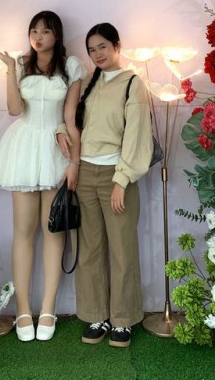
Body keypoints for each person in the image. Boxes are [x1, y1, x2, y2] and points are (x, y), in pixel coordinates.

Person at [0, 11, 85, 342]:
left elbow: (70, 119)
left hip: (56, 148)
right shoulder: (21, 63)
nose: (38, 36)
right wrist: (9, 70)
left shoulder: (71, 66)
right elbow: (15, 110)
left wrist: (75, 161)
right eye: (34, 31)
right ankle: (22, 309)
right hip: (24, 147)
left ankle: (48, 308)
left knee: (53, 230)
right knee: (23, 232)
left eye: (45, 31)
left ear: (57, 34)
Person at [57, 22, 152, 348]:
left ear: (116, 46)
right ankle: (96, 315)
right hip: (84, 175)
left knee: (122, 250)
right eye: (92, 49)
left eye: (102, 47)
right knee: (90, 250)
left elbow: (137, 135)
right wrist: (60, 131)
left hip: (116, 175)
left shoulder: (133, 83)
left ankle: (123, 319)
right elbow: (70, 118)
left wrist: (122, 180)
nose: (97, 54)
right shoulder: (87, 83)